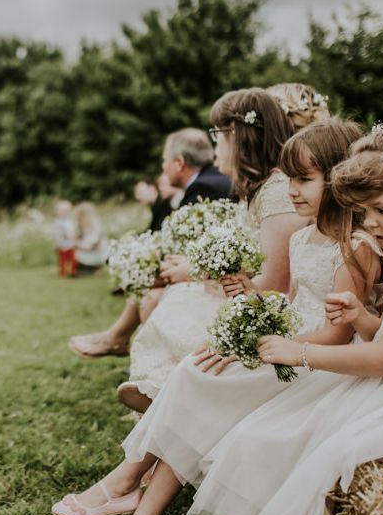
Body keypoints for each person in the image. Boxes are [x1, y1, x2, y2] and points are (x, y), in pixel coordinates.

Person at [51, 119, 383, 515]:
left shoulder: (353, 246)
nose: (293, 191)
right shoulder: (304, 237)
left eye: (305, 180)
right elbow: (286, 299)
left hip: (317, 363)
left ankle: (133, 509)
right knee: (195, 368)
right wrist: (246, 309)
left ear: (339, 178)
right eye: (290, 180)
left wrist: (268, 349)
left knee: (204, 380)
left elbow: (337, 337)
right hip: (287, 345)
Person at [184, 127, 383, 515]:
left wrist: (301, 352)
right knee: (261, 434)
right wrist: (363, 317)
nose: (371, 222)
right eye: (363, 212)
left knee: (290, 444)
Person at [119, 89, 310, 412]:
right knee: (176, 298)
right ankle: (166, 400)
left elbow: (275, 285)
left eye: (217, 135)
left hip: (271, 308)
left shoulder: (278, 194)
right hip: (248, 294)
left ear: (237, 138)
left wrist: (205, 277)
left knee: (180, 304)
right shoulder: (257, 190)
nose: (214, 146)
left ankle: (170, 399)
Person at [67, 129, 231, 358]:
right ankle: (119, 339)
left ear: (179, 163)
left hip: (215, 272)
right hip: (205, 264)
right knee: (150, 282)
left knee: (152, 291)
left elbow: (188, 244)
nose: (163, 168)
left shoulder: (205, 187)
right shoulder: (208, 181)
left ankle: (123, 343)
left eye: (164, 161)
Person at [74, 202, 108, 274]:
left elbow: (94, 241)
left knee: (76, 252)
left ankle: (95, 267)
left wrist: (80, 244)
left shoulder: (95, 223)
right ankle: (89, 268)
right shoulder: (81, 224)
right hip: (88, 247)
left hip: (96, 250)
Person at [53, 199, 77, 277]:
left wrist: (74, 238)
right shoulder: (58, 222)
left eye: (66, 211)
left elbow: (71, 232)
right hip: (62, 244)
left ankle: (72, 271)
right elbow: (60, 234)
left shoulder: (69, 221)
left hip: (70, 244)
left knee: (72, 259)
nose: (63, 213)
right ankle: (63, 273)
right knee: (62, 260)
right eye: (61, 211)